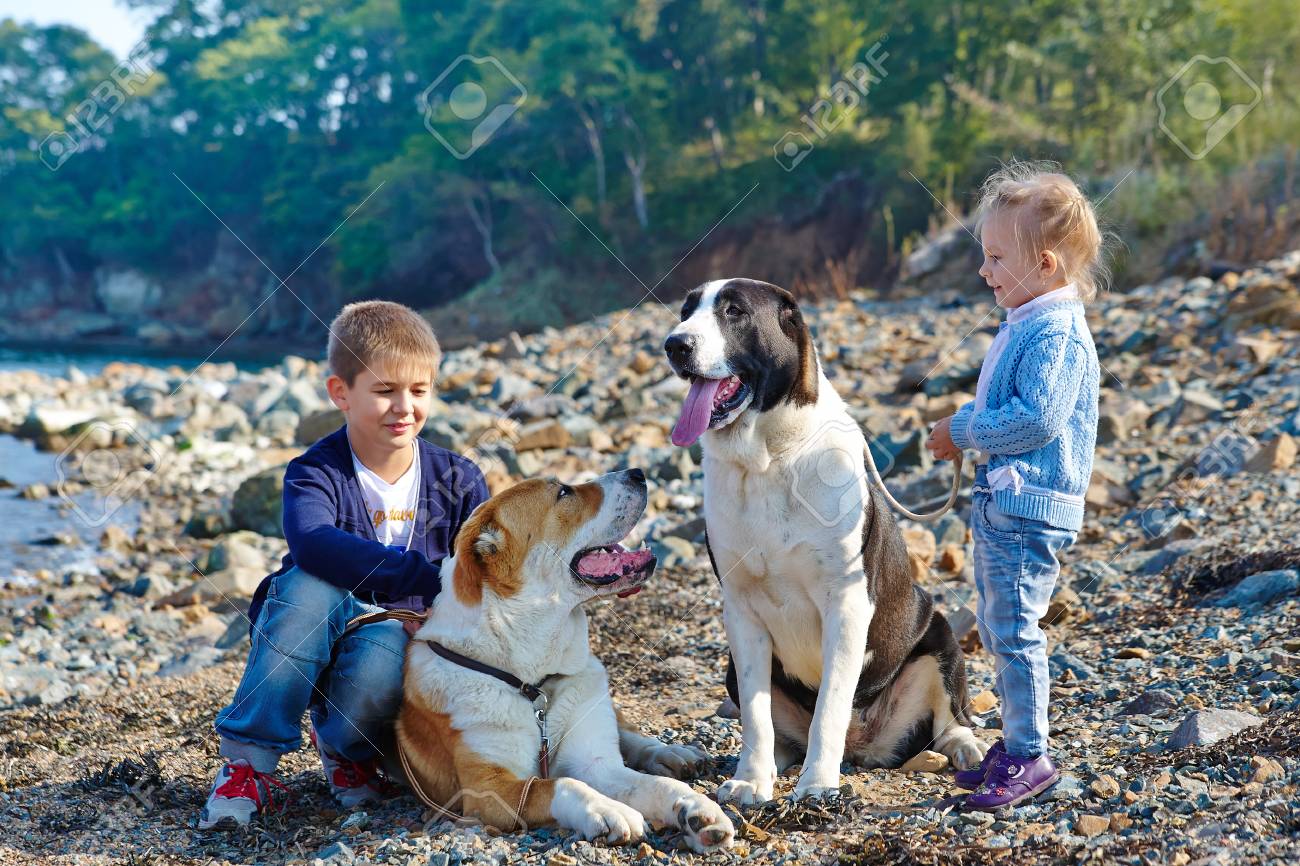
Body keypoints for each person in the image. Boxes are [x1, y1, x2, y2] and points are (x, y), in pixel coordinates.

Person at [200, 301, 488, 828]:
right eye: (384, 391)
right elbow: (313, 543)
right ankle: (248, 765)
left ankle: (345, 749)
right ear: (341, 394)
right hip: (309, 630)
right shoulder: (314, 472)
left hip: (395, 638)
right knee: (306, 584)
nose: (404, 407)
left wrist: (435, 614)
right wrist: (423, 580)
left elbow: (479, 574)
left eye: (419, 391)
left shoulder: (460, 479)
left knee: (382, 664)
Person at [926, 161, 1106, 811]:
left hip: (1028, 508)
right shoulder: (1031, 319)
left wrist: (965, 429)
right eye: (986, 255)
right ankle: (1017, 740)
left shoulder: (1056, 330)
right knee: (1002, 626)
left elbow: (1036, 419)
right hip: (1009, 502)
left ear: (1048, 265)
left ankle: (1030, 755)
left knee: (1014, 629)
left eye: (998, 257)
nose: (985, 270)